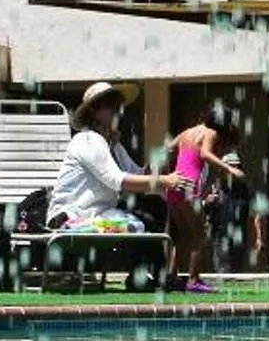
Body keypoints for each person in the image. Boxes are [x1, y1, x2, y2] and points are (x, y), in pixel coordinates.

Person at [50, 81, 210, 292]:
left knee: (153, 205)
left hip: (100, 212)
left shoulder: (112, 144)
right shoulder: (87, 140)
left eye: (119, 106)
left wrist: (159, 162)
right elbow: (118, 180)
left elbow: (137, 175)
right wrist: (165, 180)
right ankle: (151, 277)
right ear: (95, 111)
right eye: (111, 105)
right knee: (147, 213)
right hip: (73, 216)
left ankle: (146, 276)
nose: (118, 111)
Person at [168, 112, 248, 279]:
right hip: (189, 186)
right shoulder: (210, 132)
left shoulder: (186, 133)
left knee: (181, 235)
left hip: (175, 186)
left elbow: (169, 149)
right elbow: (205, 154)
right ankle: (194, 281)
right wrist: (229, 169)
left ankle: (171, 276)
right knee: (199, 234)